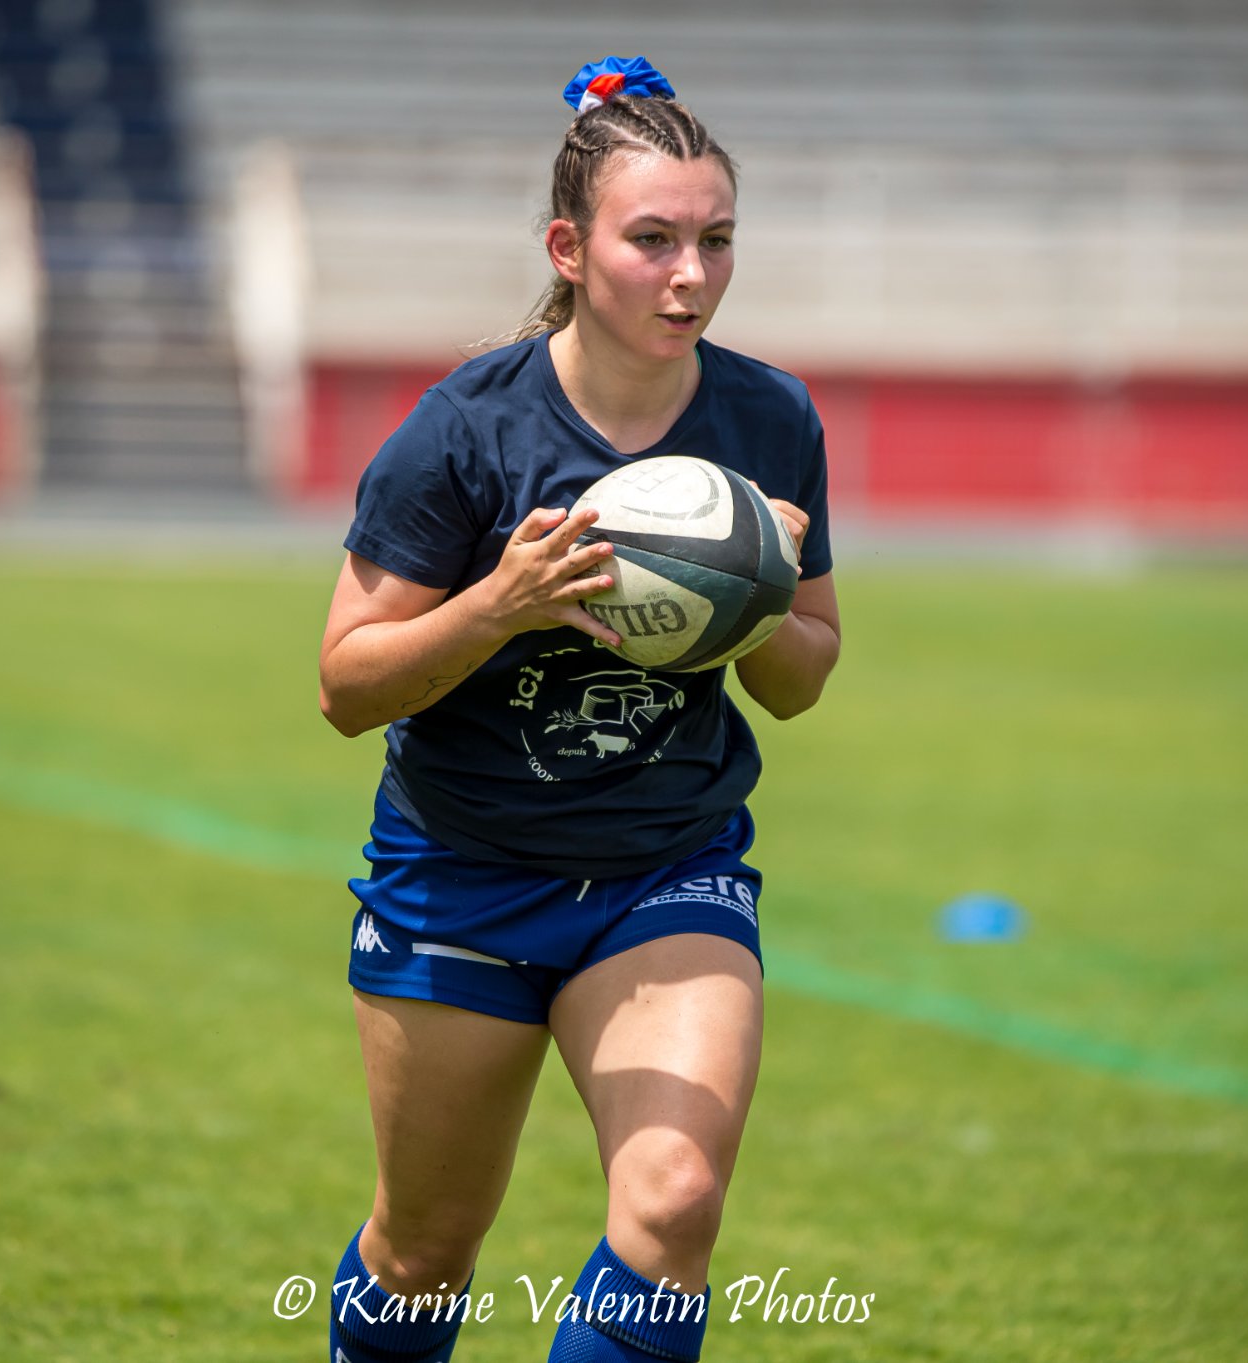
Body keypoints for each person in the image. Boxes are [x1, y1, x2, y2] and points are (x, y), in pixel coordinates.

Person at [314, 56, 840, 1363]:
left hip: (668, 866)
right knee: (425, 1251)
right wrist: (503, 600)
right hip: (462, 871)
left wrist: (756, 593)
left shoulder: (767, 419)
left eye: (717, 241)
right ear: (570, 244)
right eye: (653, 239)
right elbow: (344, 684)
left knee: (674, 1201)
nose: (692, 275)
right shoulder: (466, 430)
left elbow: (807, 671)